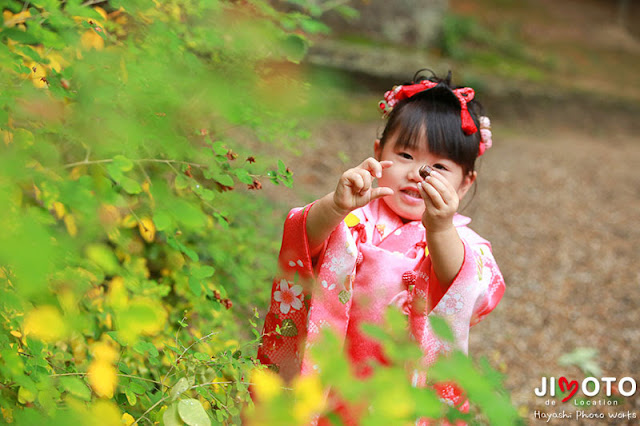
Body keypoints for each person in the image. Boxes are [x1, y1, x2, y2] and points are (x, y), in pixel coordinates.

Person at [257, 69, 505, 420]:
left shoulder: (462, 242)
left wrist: (439, 229)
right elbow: (303, 240)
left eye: (439, 166)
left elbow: (465, 286)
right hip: (334, 374)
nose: (418, 173)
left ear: (465, 183)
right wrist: (335, 206)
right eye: (405, 155)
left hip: (404, 385)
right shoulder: (355, 217)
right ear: (378, 152)